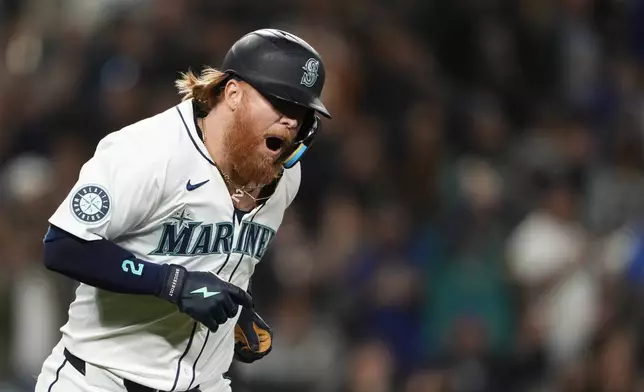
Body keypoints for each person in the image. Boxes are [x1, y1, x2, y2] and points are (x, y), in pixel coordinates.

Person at [34, 28, 331, 392]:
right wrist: (168, 283)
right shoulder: (151, 153)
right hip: (100, 380)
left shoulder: (285, 175)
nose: (291, 121)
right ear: (233, 93)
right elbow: (63, 246)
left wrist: (234, 313)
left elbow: (220, 261)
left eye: (302, 111)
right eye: (281, 103)